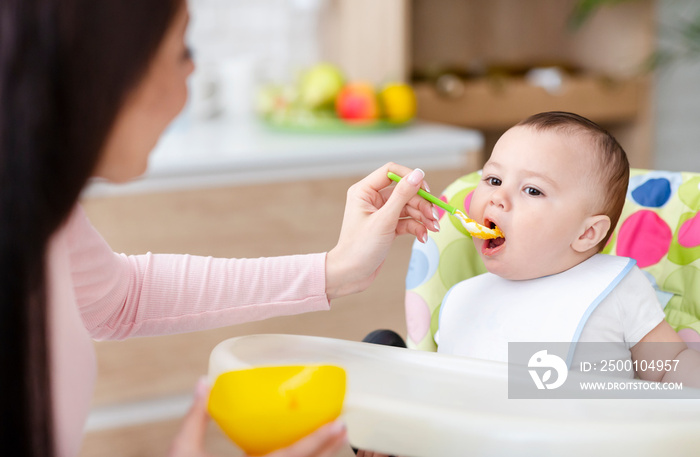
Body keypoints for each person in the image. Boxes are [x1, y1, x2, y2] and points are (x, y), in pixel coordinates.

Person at [0, 1, 441, 456]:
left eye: (525, 188)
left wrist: (336, 269)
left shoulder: (42, 210)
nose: (193, 73)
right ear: (106, 64)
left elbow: (120, 299)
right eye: (182, 50)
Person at [437, 111, 700, 385]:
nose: (497, 198)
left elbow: (669, 365)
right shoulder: (465, 298)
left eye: (532, 190)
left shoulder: (616, 288)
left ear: (586, 233)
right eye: (493, 180)